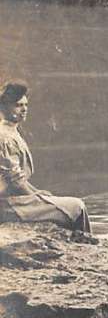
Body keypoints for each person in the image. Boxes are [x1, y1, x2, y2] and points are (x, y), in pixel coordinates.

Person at [0, 80, 90, 231]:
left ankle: (82, 244)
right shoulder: (4, 137)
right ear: (3, 108)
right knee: (77, 206)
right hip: (9, 205)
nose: (24, 109)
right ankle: (86, 246)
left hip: (17, 200)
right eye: (18, 105)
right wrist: (37, 197)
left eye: (26, 105)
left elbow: (18, 179)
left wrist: (36, 192)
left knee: (69, 205)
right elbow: (15, 182)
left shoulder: (12, 132)